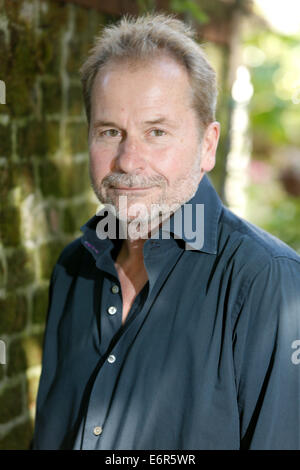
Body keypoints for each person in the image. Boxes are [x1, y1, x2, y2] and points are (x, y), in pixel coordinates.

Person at [32, 13, 300, 450]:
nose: (128, 160)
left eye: (156, 132)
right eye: (110, 132)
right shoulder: (74, 267)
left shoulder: (270, 284)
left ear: (207, 145)